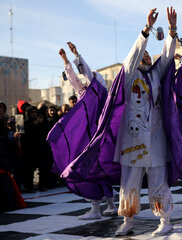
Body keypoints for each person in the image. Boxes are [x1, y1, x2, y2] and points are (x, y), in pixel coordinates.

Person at [113, 7, 177, 237]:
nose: (147, 55)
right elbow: (131, 57)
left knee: (159, 181)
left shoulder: (156, 74)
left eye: (148, 54)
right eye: (143, 54)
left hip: (157, 138)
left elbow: (167, 56)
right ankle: (127, 221)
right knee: (129, 183)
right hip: (133, 140)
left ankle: (165, 220)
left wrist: (171, 30)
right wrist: (146, 29)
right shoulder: (129, 76)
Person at [58, 44, 117, 219]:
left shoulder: (100, 94)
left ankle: (96, 210)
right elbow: (74, 79)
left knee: (92, 172)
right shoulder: (85, 94)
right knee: (100, 172)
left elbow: (86, 75)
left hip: (94, 140)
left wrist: (76, 55)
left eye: (89, 80)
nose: (84, 82)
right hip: (94, 139)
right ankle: (110, 206)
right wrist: (66, 61)